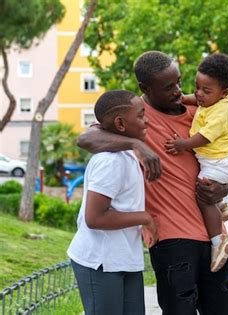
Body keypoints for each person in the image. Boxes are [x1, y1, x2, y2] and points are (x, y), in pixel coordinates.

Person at [77, 51, 228, 314]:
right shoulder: (135, 120)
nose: (178, 91)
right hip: (171, 239)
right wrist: (136, 144)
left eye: (179, 83)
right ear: (145, 88)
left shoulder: (202, 111)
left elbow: (223, 155)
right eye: (168, 87)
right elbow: (86, 140)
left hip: (214, 238)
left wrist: (225, 184)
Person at [68, 90, 157, 315]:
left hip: (123, 258)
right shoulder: (110, 161)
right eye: (141, 115)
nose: (146, 120)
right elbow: (95, 218)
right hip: (101, 261)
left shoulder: (126, 153)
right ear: (120, 123)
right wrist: (145, 218)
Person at [164, 53, 228, 272]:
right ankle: (221, 206)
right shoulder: (212, 100)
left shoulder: (221, 113)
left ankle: (219, 242)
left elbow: (204, 137)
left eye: (205, 91)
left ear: (224, 93)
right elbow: (193, 99)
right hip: (218, 158)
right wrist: (180, 98)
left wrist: (182, 144)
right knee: (207, 191)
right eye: (196, 87)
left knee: (202, 194)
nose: (198, 94)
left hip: (221, 162)